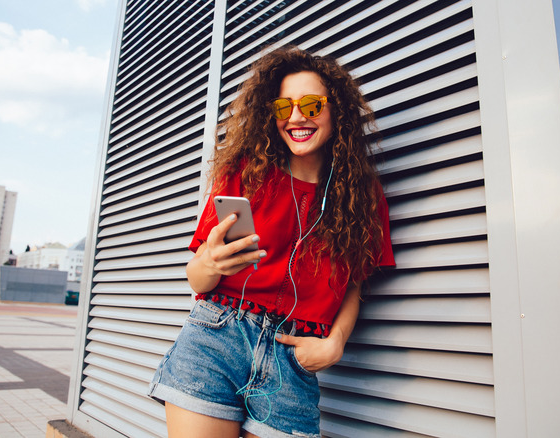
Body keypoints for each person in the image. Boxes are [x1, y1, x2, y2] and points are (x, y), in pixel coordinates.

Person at [148, 46, 395, 438]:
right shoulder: (244, 173)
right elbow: (197, 279)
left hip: (292, 360)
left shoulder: (363, 196)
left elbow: (356, 284)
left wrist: (337, 342)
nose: (296, 117)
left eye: (312, 106)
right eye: (284, 108)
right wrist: (209, 264)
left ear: (337, 112)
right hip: (217, 340)